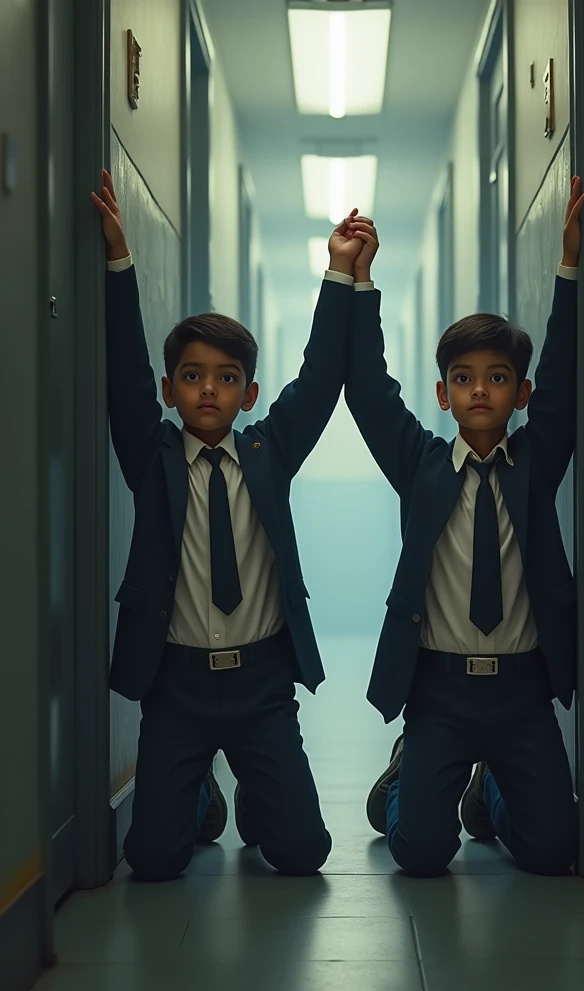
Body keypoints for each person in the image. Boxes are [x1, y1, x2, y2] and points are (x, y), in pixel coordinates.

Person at [91, 170, 372, 881]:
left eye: (224, 377)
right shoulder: (152, 457)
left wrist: (340, 275)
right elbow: (123, 375)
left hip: (261, 684)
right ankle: (199, 799)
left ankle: (258, 795)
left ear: (248, 393)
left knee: (303, 856)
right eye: (190, 376)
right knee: (152, 862)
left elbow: (319, 378)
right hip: (176, 685)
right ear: (170, 390)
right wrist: (118, 261)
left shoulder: (268, 449)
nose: (207, 389)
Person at [345, 178, 584, 877]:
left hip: (521, 690)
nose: (480, 390)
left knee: (551, 852)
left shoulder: (536, 464)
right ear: (443, 392)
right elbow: (367, 389)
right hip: (439, 690)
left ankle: (493, 790)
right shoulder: (419, 463)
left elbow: (567, 380)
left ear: (521, 392)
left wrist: (569, 269)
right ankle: (407, 776)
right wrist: (362, 286)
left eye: (498, 377)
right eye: (463, 377)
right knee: (420, 854)